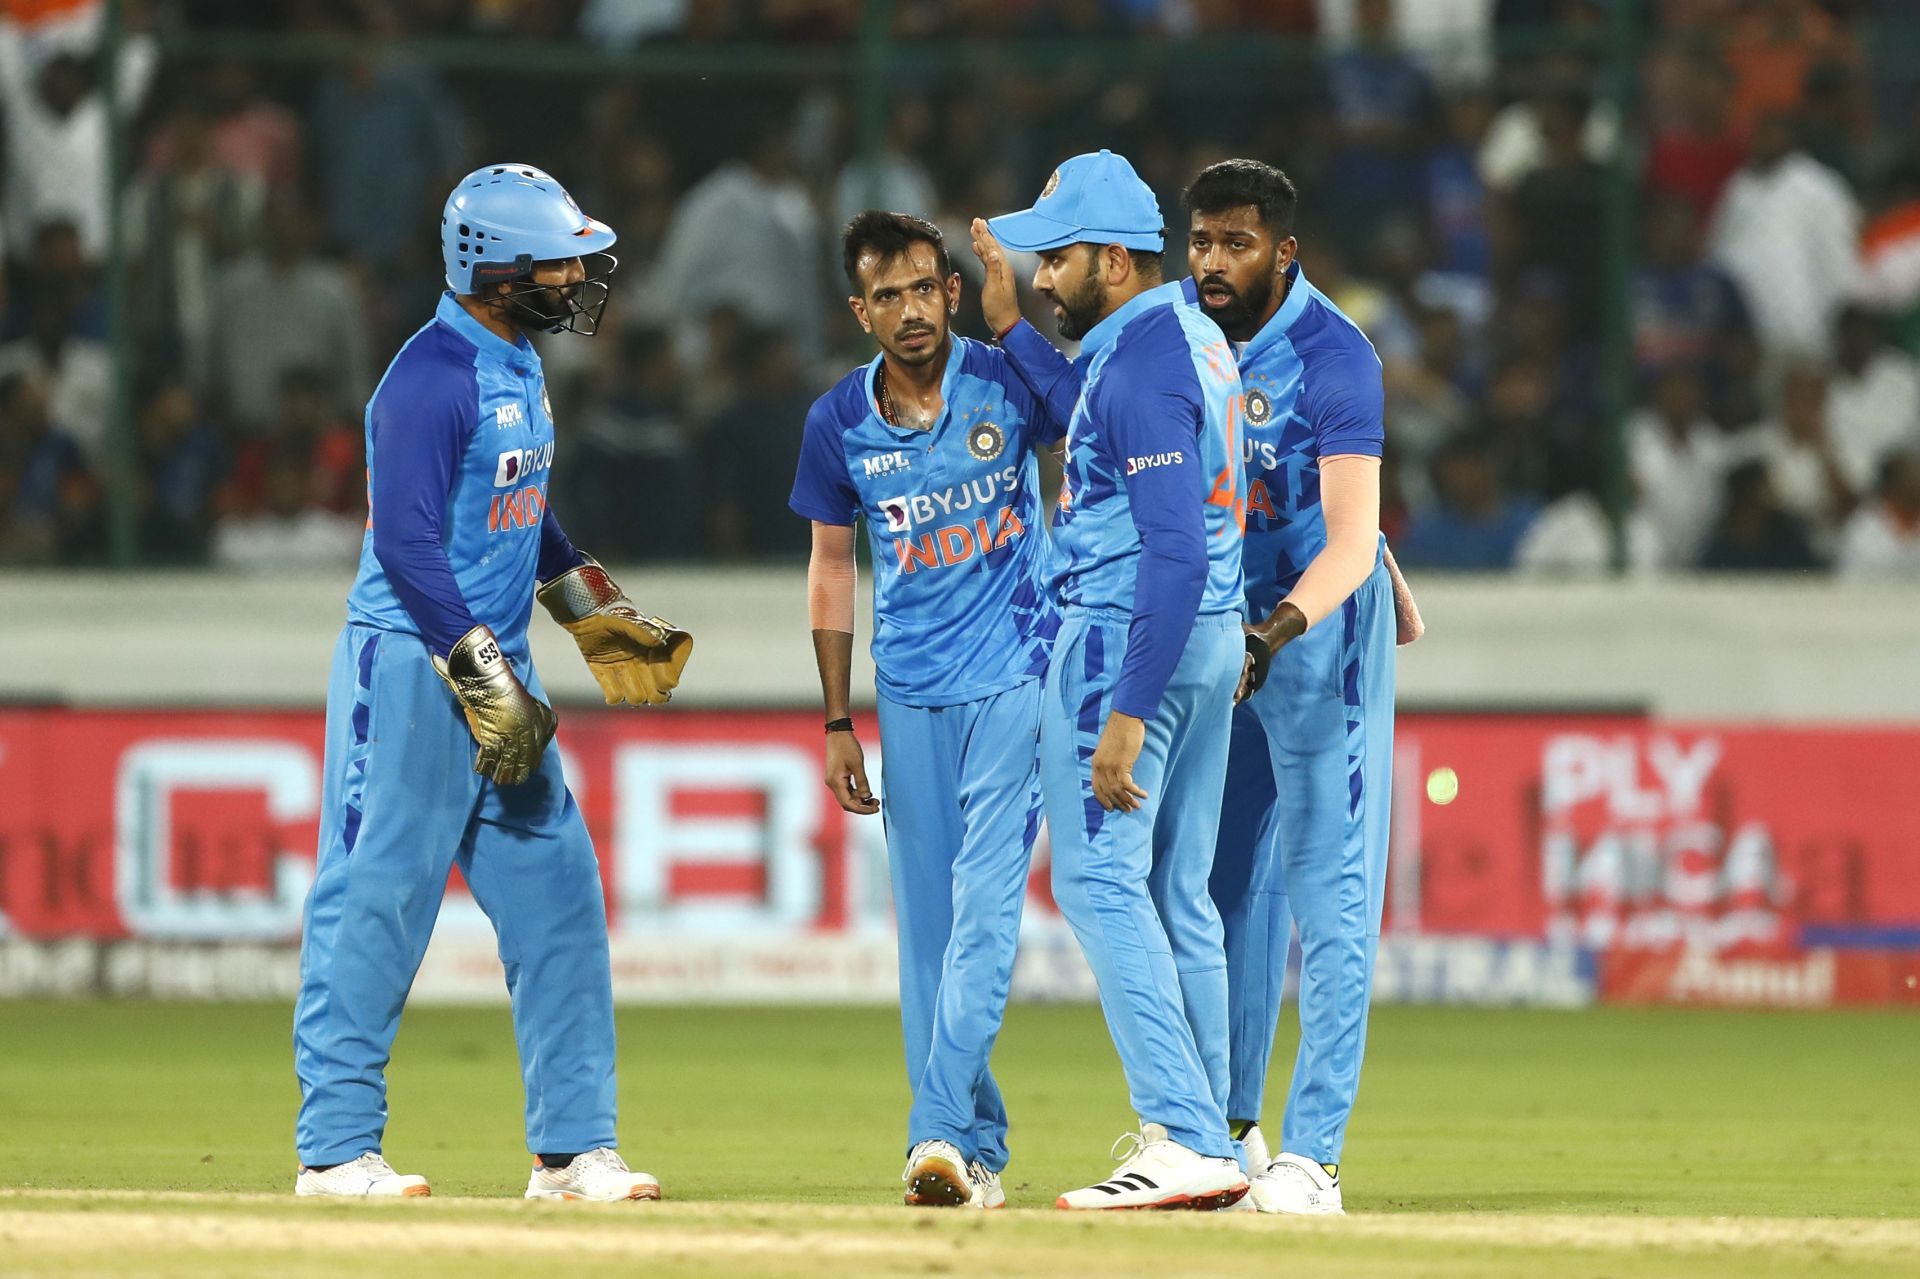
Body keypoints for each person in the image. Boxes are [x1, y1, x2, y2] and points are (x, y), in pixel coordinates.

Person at [292, 164, 692, 1202]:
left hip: (492, 669)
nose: (577, 277)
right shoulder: (427, 378)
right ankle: (334, 1153)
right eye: (558, 260)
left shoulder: (514, 361)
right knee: (376, 898)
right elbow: (408, 545)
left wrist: (594, 612)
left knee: (561, 900)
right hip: (418, 670)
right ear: (496, 267)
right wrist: (481, 676)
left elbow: (530, 512)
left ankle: (570, 1153)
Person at [980, 150, 1250, 1211]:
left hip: (1125, 637)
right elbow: (1086, 406)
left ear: (1112, 259)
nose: (1045, 278)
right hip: (1205, 634)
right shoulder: (1184, 337)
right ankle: (1220, 1128)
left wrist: (1125, 712)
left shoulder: (1141, 367)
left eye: (1057, 261)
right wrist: (1009, 324)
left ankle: (1181, 1135)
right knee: (1179, 892)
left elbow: (1169, 546)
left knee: (1097, 882)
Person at [789, 211, 1057, 1211]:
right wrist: (834, 718)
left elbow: (1081, 417)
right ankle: (975, 1150)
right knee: (932, 936)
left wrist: (1015, 315)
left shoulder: (1006, 378)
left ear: (951, 290)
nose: (909, 310)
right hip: (907, 692)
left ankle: (936, 1130)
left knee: (987, 907)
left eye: (922, 288)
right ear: (861, 311)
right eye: (886, 295)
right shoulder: (837, 423)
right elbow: (829, 570)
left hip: (1018, 673)